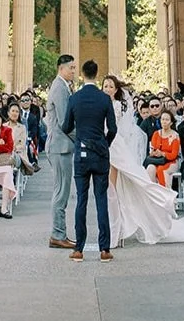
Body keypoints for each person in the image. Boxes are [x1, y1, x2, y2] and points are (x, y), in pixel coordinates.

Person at [102, 80, 184, 247]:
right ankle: (118, 228)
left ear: (116, 90)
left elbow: (117, 128)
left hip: (115, 145)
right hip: (110, 146)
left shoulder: (117, 106)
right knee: (117, 188)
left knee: (117, 187)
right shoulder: (103, 103)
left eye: (110, 87)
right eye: (105, 86)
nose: (107, 89)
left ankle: (118, 230)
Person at [64, 60, 117, 261]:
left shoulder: (75, 98)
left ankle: (79, 248)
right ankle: (105, 249)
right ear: (97, 74)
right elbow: (113, 128)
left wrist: (80, 138)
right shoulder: (104, 99)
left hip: (82, 154)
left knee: (81, 201)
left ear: (82, 75)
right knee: (101, 200)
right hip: (101, 154)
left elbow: (66, 125)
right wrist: (104, 143)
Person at [46, 53, 76, 250]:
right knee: (61, 192)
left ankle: (60, 233)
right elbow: (66, 122)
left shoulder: (62, 87)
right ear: (61, 68)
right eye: (71, 68)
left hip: (61, 146)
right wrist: (83, 139)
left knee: (62, 190)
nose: (74, 71)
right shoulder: (59, 88)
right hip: (60, 146)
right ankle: (58, 234)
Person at [148, 109, 180, 187]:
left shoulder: (175, 136)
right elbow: (152, 149)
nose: (164, 122)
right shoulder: (156, 134)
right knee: (150, 168)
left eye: (167, 119)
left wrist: (162, 153)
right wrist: (154, 153)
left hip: (171, 161)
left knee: (161, 170)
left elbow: (174, 155)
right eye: (162, 119)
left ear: (171, 122)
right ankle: (153, 194)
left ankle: (165, 195)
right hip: (157, 161)